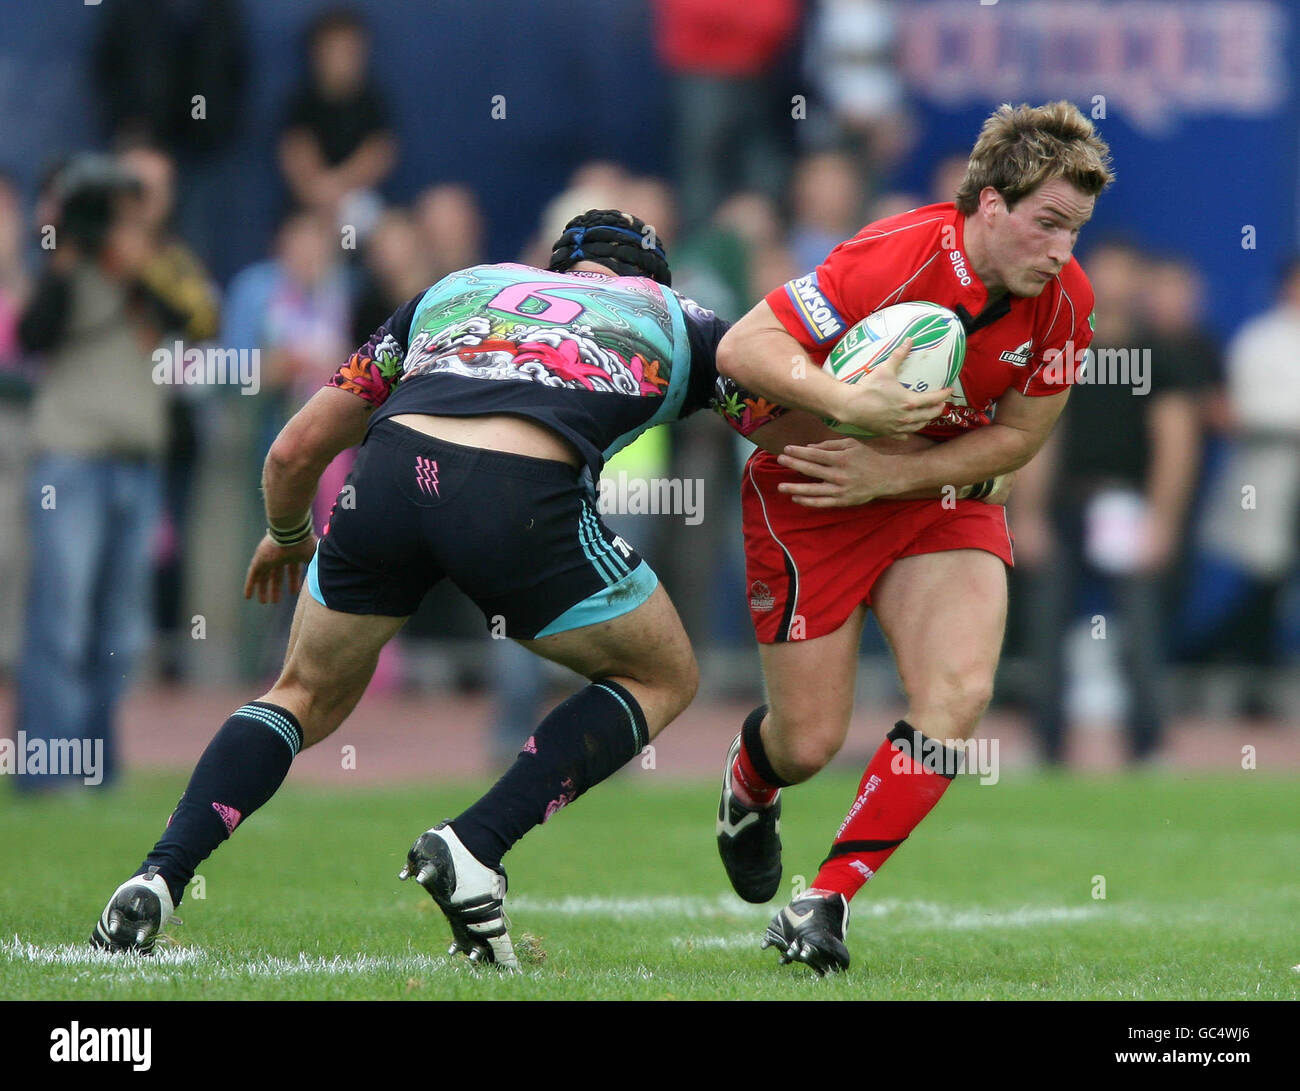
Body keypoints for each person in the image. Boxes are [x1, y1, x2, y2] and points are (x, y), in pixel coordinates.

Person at [87, 209, 801, 967]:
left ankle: (159, 876)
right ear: (650, 279)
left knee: (299, 694)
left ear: (556, 267)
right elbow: (794, 429)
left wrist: (292, 535)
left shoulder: (458, 288)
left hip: (389, 479)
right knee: (662, 674)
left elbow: (294, 449)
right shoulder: (676, 316)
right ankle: (474, 843)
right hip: (520, 492)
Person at [711, 101, 1113, 973]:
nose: (1061, 250)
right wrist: (851, 409)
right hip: (815, 485)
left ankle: (827, 899)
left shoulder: (1066, 303)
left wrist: (895, 473)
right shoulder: (893, 254)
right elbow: (743, 347)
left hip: (934, 490)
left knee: (960, 691)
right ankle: (751, 783)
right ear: (991, 205)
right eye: (1047, 224)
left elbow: (1018, 439)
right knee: (809, 740)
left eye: (1075, 230)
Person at [1016, 241, 1204, 764]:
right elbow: (1041, 434)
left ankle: (1149, 747)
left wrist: (1162, 521)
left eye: (1124, 273)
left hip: (1128, 509)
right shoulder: (1062, 349)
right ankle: (1046, 745)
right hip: (1065, 505)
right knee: (1046, 624)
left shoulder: (1159, 354)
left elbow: (1176, 440)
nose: (1113, 283)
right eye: (1102, 272)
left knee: (1140, 627)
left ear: (1140, 281)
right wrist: (1027, 513)